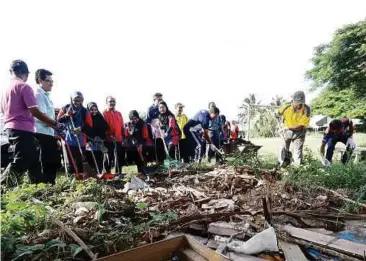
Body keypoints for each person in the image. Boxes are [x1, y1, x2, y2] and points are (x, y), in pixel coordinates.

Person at [0, 60, 64, 187]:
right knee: (22, 160)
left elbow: (3, 110)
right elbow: (35, 111)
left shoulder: (6, 90)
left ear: (11, 72)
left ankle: (36, 187)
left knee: (34, 161)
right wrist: (55, 124)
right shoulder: (24, 87)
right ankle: (3, 185)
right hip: (22, 128)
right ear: (27, 73)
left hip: (10, 127)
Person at [34, 69, 60, 185]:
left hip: (49, 133)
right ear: (40, 80)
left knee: (53, 162)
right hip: (41, 133)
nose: (51, 84)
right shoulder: (38, 95)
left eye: (52, 81)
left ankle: (51, 185)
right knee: (45, 162)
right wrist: (56, 125)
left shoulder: (46, 96)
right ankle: (45, 187)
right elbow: (42, 116)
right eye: (48, 81)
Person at [57, 91, 92, 175]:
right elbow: (58, 121)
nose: (77, 103)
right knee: (70, 160)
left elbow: (89, 125)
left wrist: (81, 128)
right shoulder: (66, 108)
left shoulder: (84, 111)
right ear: (71, 100)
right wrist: (66, 115)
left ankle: (81, 177)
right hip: (68, 139)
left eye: (79, 101)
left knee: (80, 160)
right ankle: (72, 177)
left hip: (80, 140)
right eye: (75, 100)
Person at [277, 91, 310, 165]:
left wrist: (287, 127)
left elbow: (300, 126)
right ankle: (281, 166)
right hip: (285, 133)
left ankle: (296, 169)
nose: (298, 105)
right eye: (296, 103)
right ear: (292, 101)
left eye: (300, 103)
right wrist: (279, 122)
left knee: (297, 154)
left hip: (299, 134)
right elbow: (278, 114)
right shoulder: (285, 106)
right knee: (282, 150)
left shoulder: (307, 110)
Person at [103, 96, 125, 174]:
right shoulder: (104, 113)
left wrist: (124, 135)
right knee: (109, 157)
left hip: (118, 139)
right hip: (108, 139)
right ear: (107, 103)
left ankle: (118, 173)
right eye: (110, 101)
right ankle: (107, 173)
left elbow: (122, 126)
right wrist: (108, 135)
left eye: (113, 101)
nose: (112, 103)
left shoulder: (118, 113)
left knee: (118, 156)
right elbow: (103, 127)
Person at [85, 102, 108, 173]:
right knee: (91, 159)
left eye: (95, 109)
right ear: (88, 110)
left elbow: (105, 127)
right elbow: (85, 130)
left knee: (99, 159)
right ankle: (92, 175)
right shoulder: (86, 118)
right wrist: (87, 140)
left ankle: (99, 173)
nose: (94, 111)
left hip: (99, 142)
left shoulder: (100, 117)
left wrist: (101, 138)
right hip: (90, 141)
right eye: (92, 109)